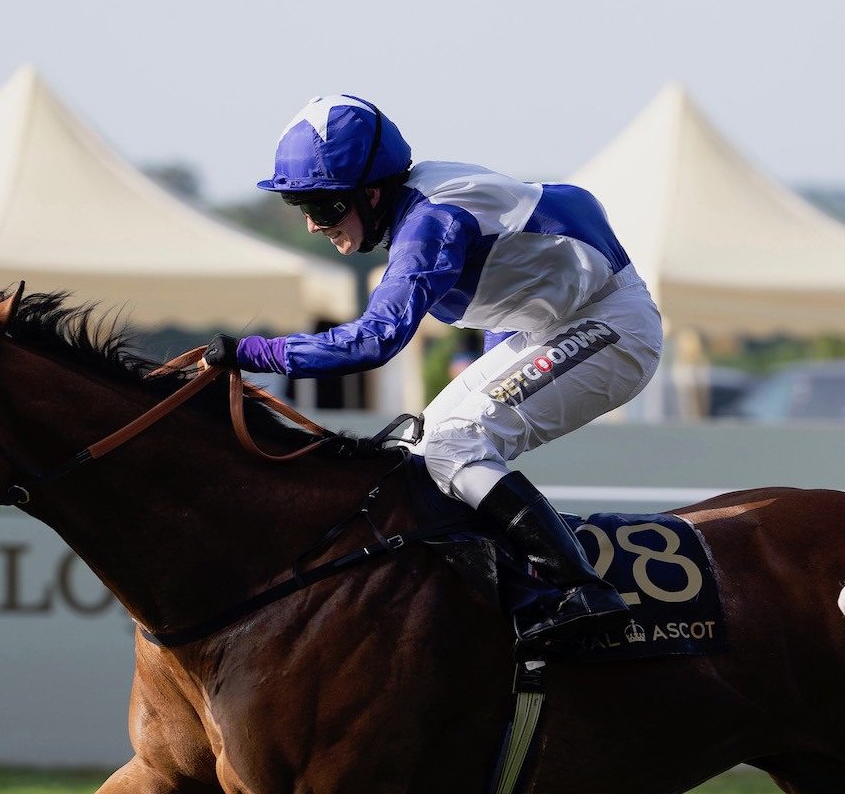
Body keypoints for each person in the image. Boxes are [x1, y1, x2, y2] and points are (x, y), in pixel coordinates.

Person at [202, 94, 663, 646]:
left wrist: (251, 353)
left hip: (614, 325)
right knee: (421, 452)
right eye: (299, 206)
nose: (309, 225)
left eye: (323, 207)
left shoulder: (431, 222)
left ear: (371, 194)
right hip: (559, 324)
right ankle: (502, 593)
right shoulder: (416, 205)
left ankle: (581, 591)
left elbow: (372, 342)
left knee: (453, 445)